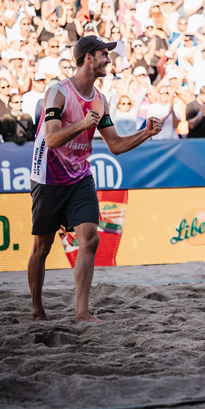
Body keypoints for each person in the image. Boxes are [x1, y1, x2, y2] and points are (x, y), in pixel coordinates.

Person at [28, 35, 163, 323]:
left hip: (79, 175)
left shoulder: (100, 100)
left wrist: (145, 133)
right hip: (47, 175)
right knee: (42, 246)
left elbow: (115, 145)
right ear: (89, 58)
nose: (109, 60)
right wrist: (81, 124)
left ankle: (81, 312)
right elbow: (51, 139)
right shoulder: (58, 92)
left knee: (89, 239)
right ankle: (37, 309)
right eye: (104, 54)